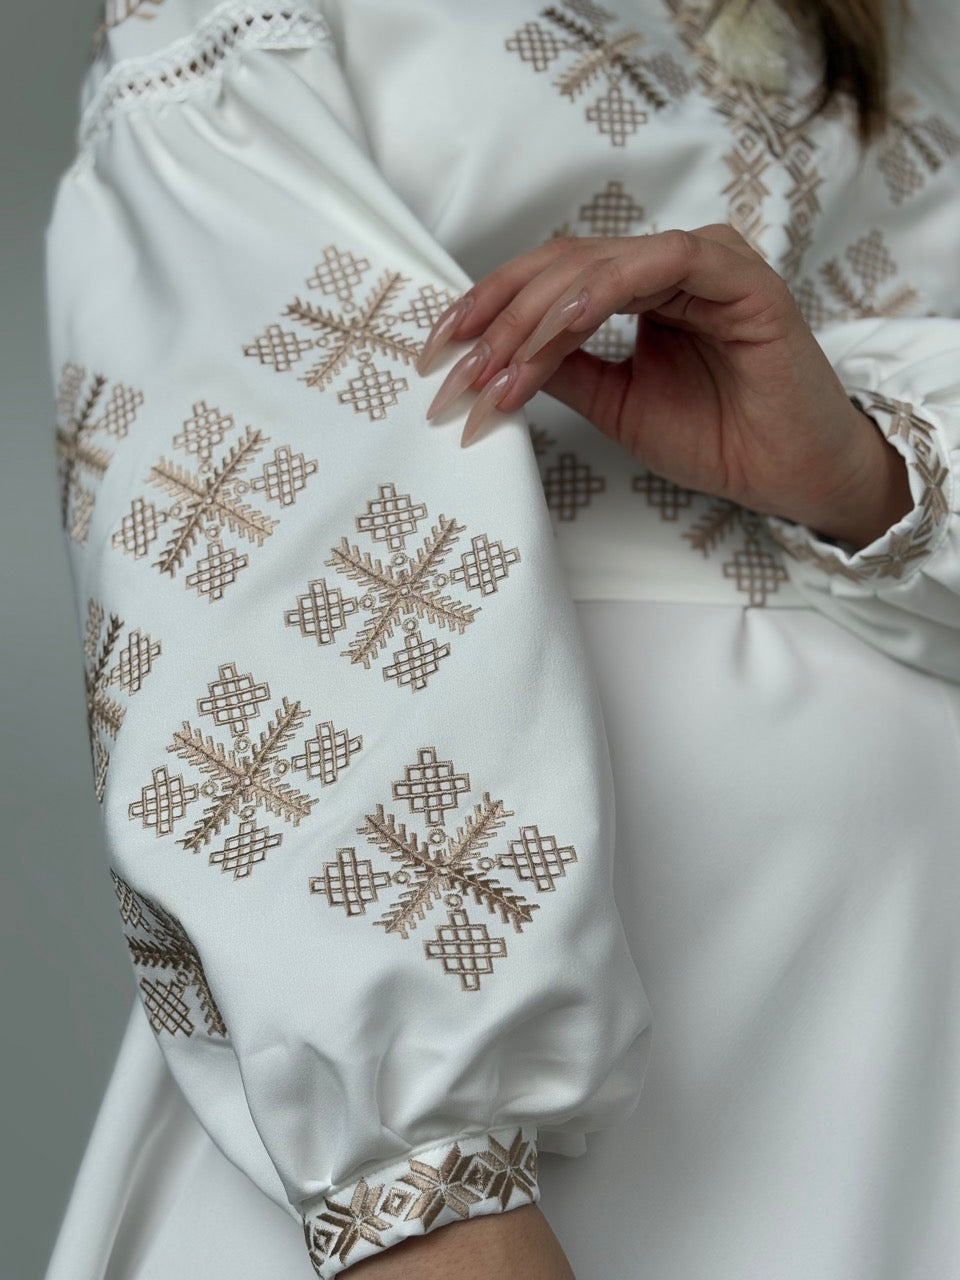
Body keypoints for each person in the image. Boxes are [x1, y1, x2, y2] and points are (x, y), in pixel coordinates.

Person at [43, 1, 959, 1277]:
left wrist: (869, 471)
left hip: (898, 1004)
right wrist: (428, 1186)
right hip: (478, 1014)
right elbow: (244, 507)